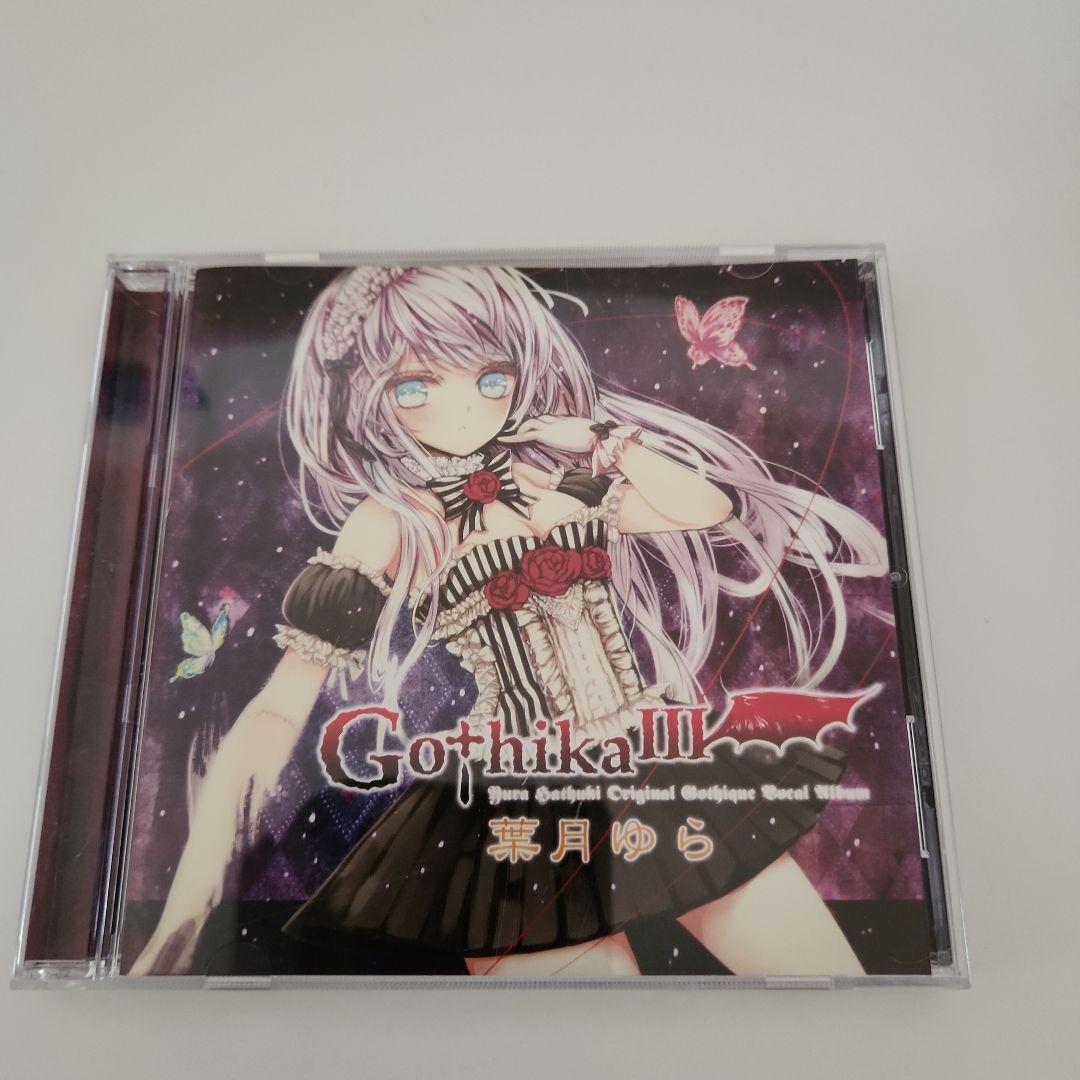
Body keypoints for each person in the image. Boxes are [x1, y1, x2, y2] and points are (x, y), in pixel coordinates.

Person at [131, 265, 887, 977]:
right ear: (365, 396)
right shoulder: (394, 523)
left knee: (827, 980)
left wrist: (601, 442)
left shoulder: (555, 483)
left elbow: (706, 507)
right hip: (511, 803)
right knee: (587, 1037)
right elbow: (278, 707)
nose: (463, 408)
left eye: (490, 378)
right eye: (415, 386)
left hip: (648, 762)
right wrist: (191, 898)